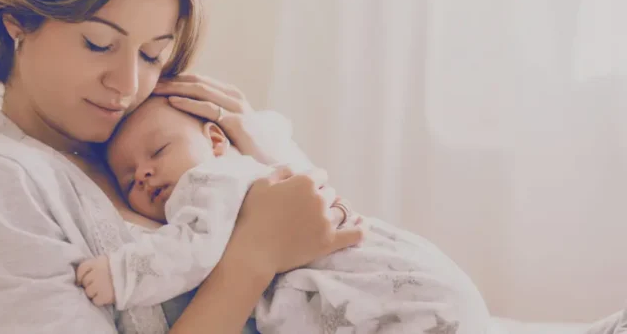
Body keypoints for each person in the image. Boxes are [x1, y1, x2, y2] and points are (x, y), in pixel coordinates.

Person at [0, 0, 363, 333]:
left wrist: (264, 151)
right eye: (98, 44)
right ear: (15, 20)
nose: (128, 86)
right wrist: (254, 255)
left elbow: (338, 250)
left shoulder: (167, 135)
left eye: (153, 55)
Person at [75, 96, 491, 333]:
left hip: (394, 292)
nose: (143, 173)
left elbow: (188, 252)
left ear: (217, 140)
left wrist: (121, 273)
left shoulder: (209, 181)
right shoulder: (252, 172)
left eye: (159, 151)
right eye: (128, 179)